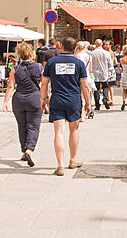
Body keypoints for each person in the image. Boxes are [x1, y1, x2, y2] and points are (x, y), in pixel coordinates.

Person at [41, 37, 92, 176]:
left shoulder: (51, 62)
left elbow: (44, 82)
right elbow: (85, 85)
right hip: (74, 99)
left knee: (59, 133)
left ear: (61, 46)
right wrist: (88, 103)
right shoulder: (79, 63)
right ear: (75, 48)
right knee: (74, 130)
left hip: (57, 99)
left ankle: (60, 165)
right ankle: (73, 159)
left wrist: (43, 98)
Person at [3, 42, 43, 167]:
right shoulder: (39, 67)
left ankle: (24, 149)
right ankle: (29, 150)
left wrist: (5, 101)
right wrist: (46, 99)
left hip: (19, 99)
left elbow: (10, 86)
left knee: (22, 125)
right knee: (33, 126)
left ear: (20, 55)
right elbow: (45, 84)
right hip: (34, 98)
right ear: (31, 54)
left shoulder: (15, 69)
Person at [89, 39, 114, 111]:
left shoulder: (91, 53)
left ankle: (97, 104)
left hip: (95, 73)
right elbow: (110, 64)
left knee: (96, 89)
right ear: (101, 44)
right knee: (105, 87)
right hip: (104, 72)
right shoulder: (106, 53)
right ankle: (105, 98)